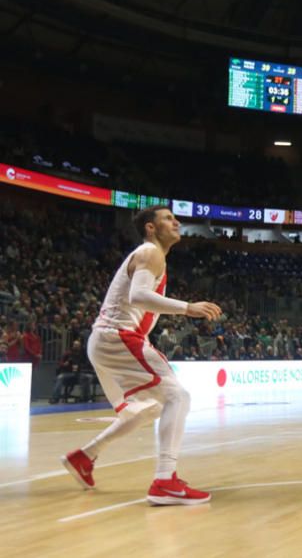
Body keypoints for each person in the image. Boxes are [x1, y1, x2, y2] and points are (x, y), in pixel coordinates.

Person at [61, 206, 222, 506]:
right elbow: (138, 296)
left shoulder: (152, 255)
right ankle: (164, 481)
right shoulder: (151, 252)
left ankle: (85, 456)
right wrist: (188, 308)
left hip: (105, 341)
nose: (176, 222)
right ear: (150, 227)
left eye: (175, 218)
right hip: (118, 337)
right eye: (167, 219)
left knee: (145, 408)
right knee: (178, 397)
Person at [50, 339, 95, 403]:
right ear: (72, 345)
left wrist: (81, 366)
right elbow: (60, 363)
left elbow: (86, 364)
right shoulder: (67, 353)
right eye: (75, 345)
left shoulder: (83, 354)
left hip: (78, 373)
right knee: (60, 377)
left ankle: (85, 398)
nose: (76, 346)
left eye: (78, 345)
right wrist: (64, 364)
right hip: (68, 373)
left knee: (85, 377)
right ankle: (55, 398)